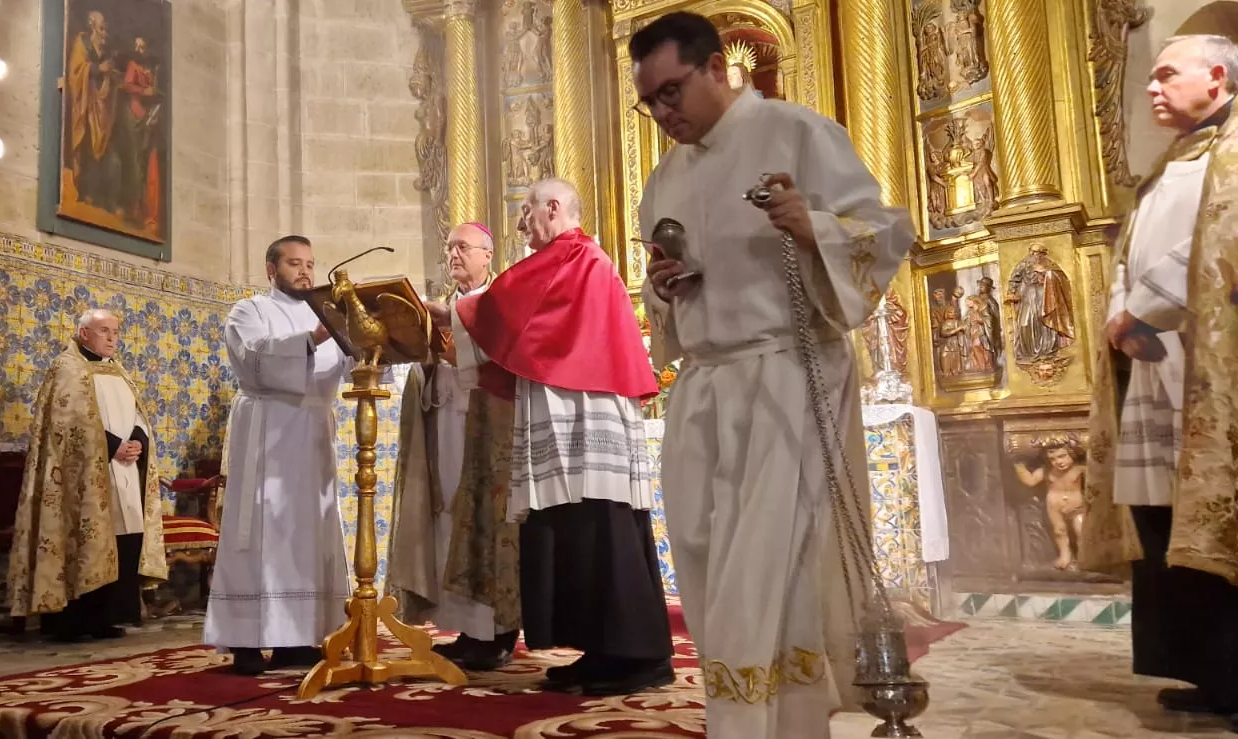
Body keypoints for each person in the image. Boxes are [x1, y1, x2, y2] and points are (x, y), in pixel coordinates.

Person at [631, 11, 914, 737]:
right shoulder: (663, 177)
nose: (663, 115)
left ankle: (752, 725)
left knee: (764, 565)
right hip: (704, 380)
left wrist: (811, 222)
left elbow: (885, 231)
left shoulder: (796, 132)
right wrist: (667, 285)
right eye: (650, 101)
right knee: (699, 550)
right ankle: (776, 716)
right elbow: (670, 282)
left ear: (716, 68)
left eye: (671, 93)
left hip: (786, 371)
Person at [427, 178, 674, 696]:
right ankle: (603, 652)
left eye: (526, 211)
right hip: (571, 409)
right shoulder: (576, 259)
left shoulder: (573, 256)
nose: (521, 224)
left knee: (603, 527)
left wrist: (450, 314)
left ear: (554, 208)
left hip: (585, 415)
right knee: (580, 528)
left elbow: (502, 307)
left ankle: (639, 656)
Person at [1080, 33, 1238, 726]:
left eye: (1166, 74)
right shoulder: (1167, 164)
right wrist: (1120, 313)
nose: (1152, 88)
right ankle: (1208, 669)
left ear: (1217, 75)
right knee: (1168, 526)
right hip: (1153, 364)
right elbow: (1125, 255)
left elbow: (1221, 242)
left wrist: (1139, 308)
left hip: (1211, 366)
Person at [204, 235, 353, 676]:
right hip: (267, 432)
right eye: (294, 263)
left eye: (309, 263)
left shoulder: (327, 315)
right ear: (272, 269)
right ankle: (248, 640)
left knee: (309, 533)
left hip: (313, 435)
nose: (305, 271)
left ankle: (297, 638)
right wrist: (311, 338)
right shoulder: (249, 310)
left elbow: (355, 363)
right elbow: (251, 360)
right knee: (261, 532)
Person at [387, 222, 519, 671]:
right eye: (449, 247)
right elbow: (430, 366)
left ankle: (495, 635)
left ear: (488, 254)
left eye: (463, 246)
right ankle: (464, 629)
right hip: (444, 422)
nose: (454, 254)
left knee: (484, 520)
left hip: (487, 427)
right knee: (447, 519)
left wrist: (451, 348)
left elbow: (501, 362)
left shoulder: (501, 304)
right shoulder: (445, 306)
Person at [7, 309, 167, 642]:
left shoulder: (119, 372)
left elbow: (139, 415)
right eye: (104, 331)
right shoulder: (67, 370)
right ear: (84, 334)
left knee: (123, 536)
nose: (111, 338)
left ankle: (108, 617)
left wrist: (136, 441)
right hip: (85, 477)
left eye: (115, 332)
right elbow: (68, 423)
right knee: (85, 538)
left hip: (122, 469)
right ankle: (73, 622)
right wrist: (111, 447)